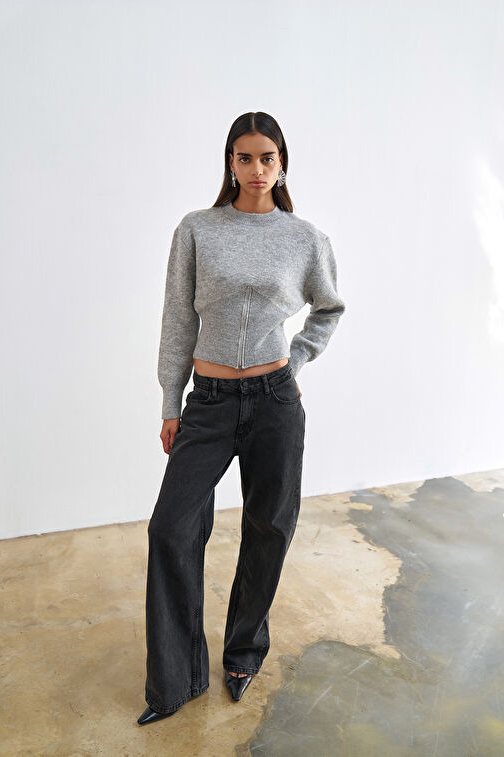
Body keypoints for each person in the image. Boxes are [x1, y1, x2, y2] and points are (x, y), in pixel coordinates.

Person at [137, 111, 346, 725]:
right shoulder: (197, 229)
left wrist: (296, 361)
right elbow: (178, 319)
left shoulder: (305, 239)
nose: (256, 169)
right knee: (171, 529)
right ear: (230, 163)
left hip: (275, 401)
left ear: (283, 164)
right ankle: (176, 680)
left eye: (267, 157)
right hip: (208, 402)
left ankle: (243, 653)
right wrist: (171, 401)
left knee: (268, 528)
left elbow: (329, 309)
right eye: (245, 157)